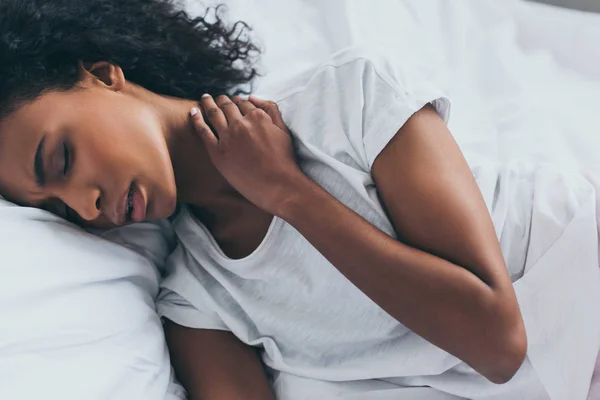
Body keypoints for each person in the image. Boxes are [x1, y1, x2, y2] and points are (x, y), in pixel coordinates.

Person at [1, 1, 598, 399]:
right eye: (55, 207)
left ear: (104, 76)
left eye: (61, 160)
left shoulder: (351, 96)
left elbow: (496, 340)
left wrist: (289, 192)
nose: (85, 205)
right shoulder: (196, 302)